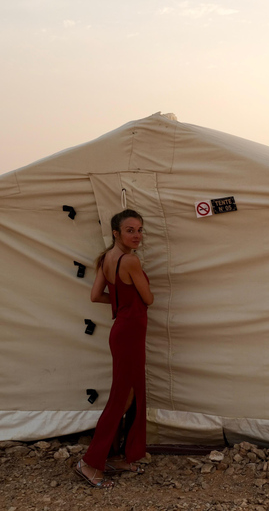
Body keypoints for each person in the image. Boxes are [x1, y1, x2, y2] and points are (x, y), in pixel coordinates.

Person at [73, 209, 154, 489]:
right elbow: (149, 298)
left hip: (122, 329)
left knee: (131, 395)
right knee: (122, 397)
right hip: (130, 331)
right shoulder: (130, 261)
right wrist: (131, 301)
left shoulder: (105, 259)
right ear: (116, 233)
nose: (137, 236)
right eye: (130, 230)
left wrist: (121, 303)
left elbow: (96, 296)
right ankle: (90, 462)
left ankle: (118, 456)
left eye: (141, 230)